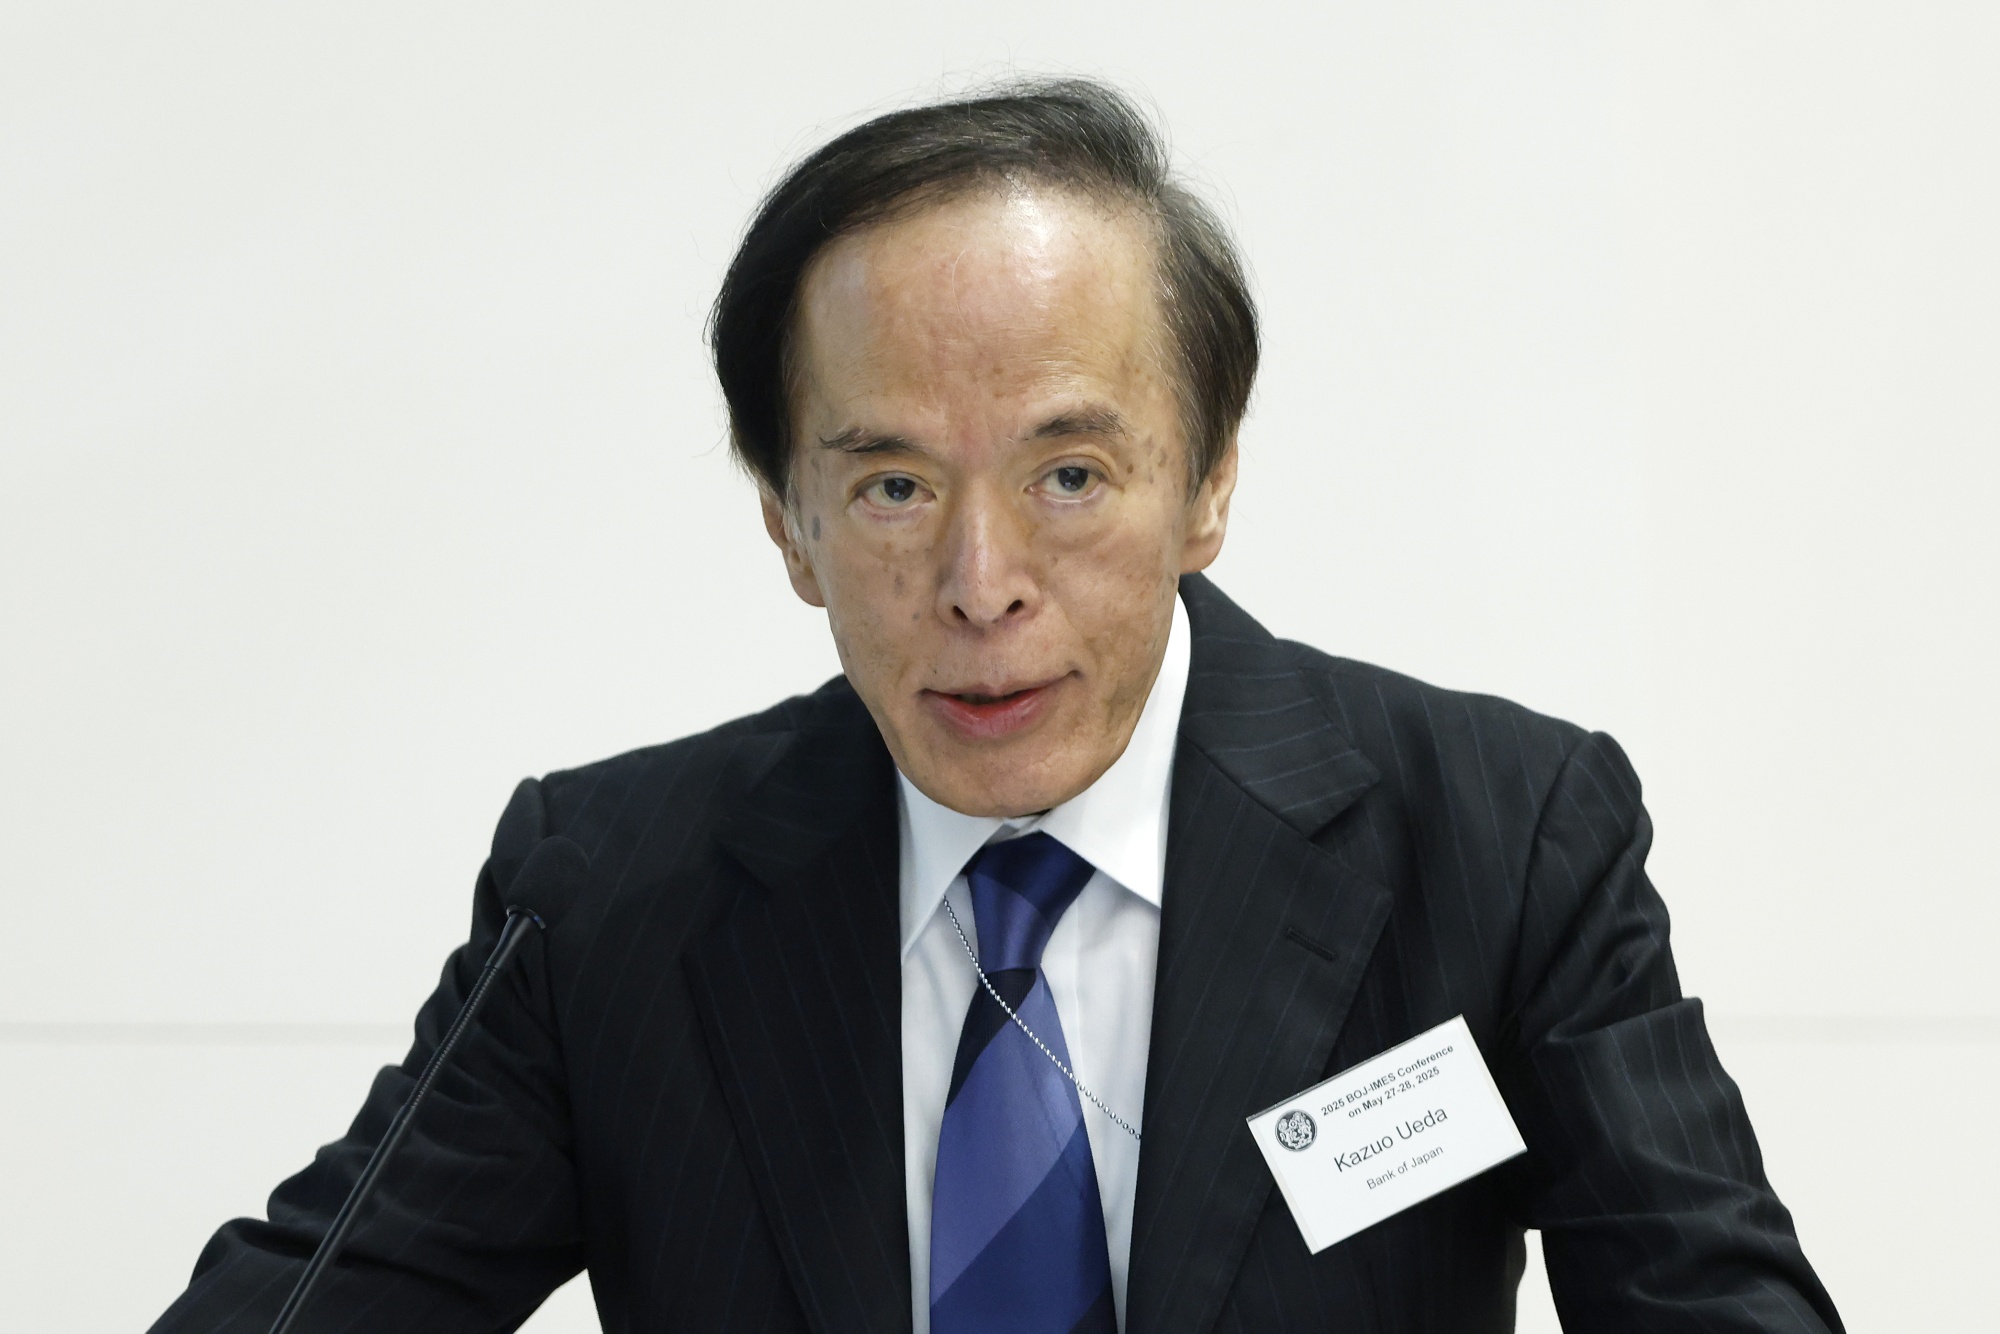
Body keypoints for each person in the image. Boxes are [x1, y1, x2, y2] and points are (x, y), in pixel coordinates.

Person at [150, 79, 1842, 1334]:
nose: (981, 582)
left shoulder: (1499, 836)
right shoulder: (608, 896)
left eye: (1070, 473)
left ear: (1209, 480)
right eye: (892, 486)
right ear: (788, 522)